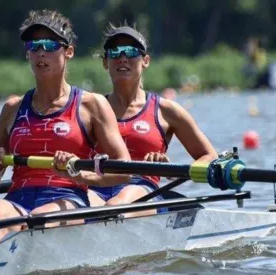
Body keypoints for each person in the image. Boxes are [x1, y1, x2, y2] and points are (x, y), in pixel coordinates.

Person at [0, 10, 132, 251]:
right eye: (34, 46)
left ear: (68, 52)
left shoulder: (92, 105)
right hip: (18, 197)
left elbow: (124, 170)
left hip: (68, 197)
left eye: (49, 45)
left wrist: (79, 175)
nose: (40, 53)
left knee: (39, 219)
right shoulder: (13, 108)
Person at [88, 23, 218, 215]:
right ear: (105, 62)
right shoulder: (91, 108)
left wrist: (172, 171)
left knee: (114, 207)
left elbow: (209, 157)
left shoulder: (166, 110)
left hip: (142, 189)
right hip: (96, 186)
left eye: (131, 52)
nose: (122, 58)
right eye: (115, 52)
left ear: (145, 60)